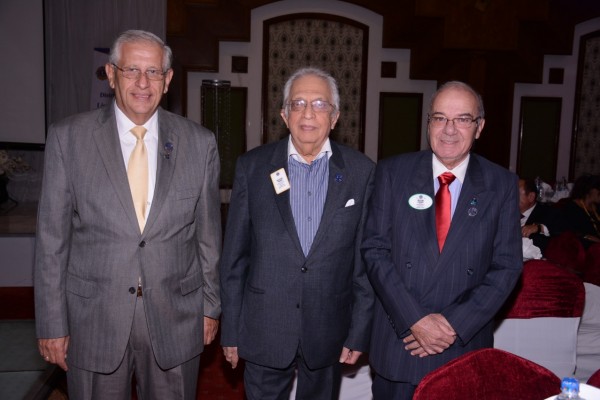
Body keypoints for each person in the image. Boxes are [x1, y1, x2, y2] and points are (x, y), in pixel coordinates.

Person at [34, 30, 222, 399]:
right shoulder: (68, 138)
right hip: (94, 321)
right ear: (111, 74)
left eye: (153, 72)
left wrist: (210, 307)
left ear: (167, 79)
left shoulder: (199, 143)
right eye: (131, 70)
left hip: (176, 318)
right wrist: (52, 323)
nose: (142, 82)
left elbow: (209, 237)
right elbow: (51, 241)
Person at [219, 67, 375, 400]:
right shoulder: (252, 167)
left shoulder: (361, 172)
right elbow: (234, 258)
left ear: (334, 117)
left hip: (328, 328)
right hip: (264, 326)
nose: (307, 113)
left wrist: (359, 331)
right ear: (283, 114)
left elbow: (363, 264)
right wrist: (230, 328)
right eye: (298, 103)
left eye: (319, 104)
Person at [361, 81, 523, 399]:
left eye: (462, 119)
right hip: (400, 342)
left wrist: (452, 325)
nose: (449, 129)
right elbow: (374, 249)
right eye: (440, 118)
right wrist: (416, 319)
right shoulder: (392, 172)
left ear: (479, 127)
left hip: (462, 345)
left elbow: (507, 267)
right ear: (428, 124)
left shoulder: (501, 184)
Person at [557, 174, 600, 249]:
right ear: (591, 189)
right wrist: (587, 237)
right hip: (584, 245)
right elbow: (569, 231)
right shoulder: (572, 208)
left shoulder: (597, 207)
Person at [519, 178, 558, 255]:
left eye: (515, 195)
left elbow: (559, 231)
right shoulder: (504, 211)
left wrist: (539, 227)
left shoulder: (548, 213)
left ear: (531, 197)